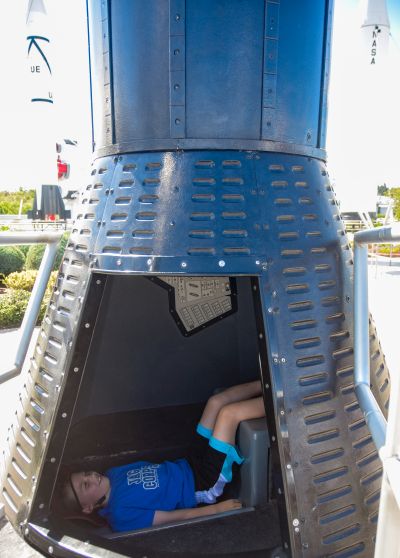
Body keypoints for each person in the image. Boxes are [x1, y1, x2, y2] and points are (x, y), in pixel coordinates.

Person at [59, 380, 265, 532]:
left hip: (189, 462)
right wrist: (218, 510)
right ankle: (281, 398)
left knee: (215, 402)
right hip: (203, 482)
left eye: (85, 474)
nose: (91, 477)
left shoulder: (113, 474)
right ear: (87, 508)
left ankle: (266, 381)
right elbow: (177, 517)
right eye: (85, 485)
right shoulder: (121, 515)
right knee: (229, 415)